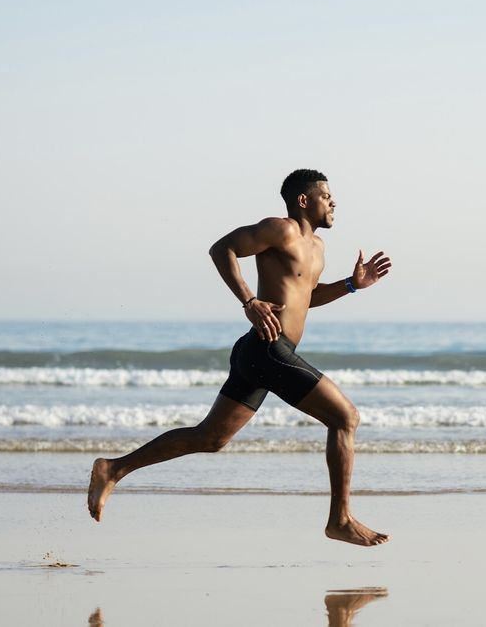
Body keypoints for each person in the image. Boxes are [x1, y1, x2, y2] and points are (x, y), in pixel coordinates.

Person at [86, 169, 392, 546]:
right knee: (345, 417)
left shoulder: (317, 249)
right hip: (267, 348)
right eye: (326, 195)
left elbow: (306, 296)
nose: (333, 202)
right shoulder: (280, 230)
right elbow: (222, 249)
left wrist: (350, 285)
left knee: (211, 438)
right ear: (303, 200)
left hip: (263, 352)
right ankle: (340, 519)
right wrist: (248, 301)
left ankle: (113, 469)